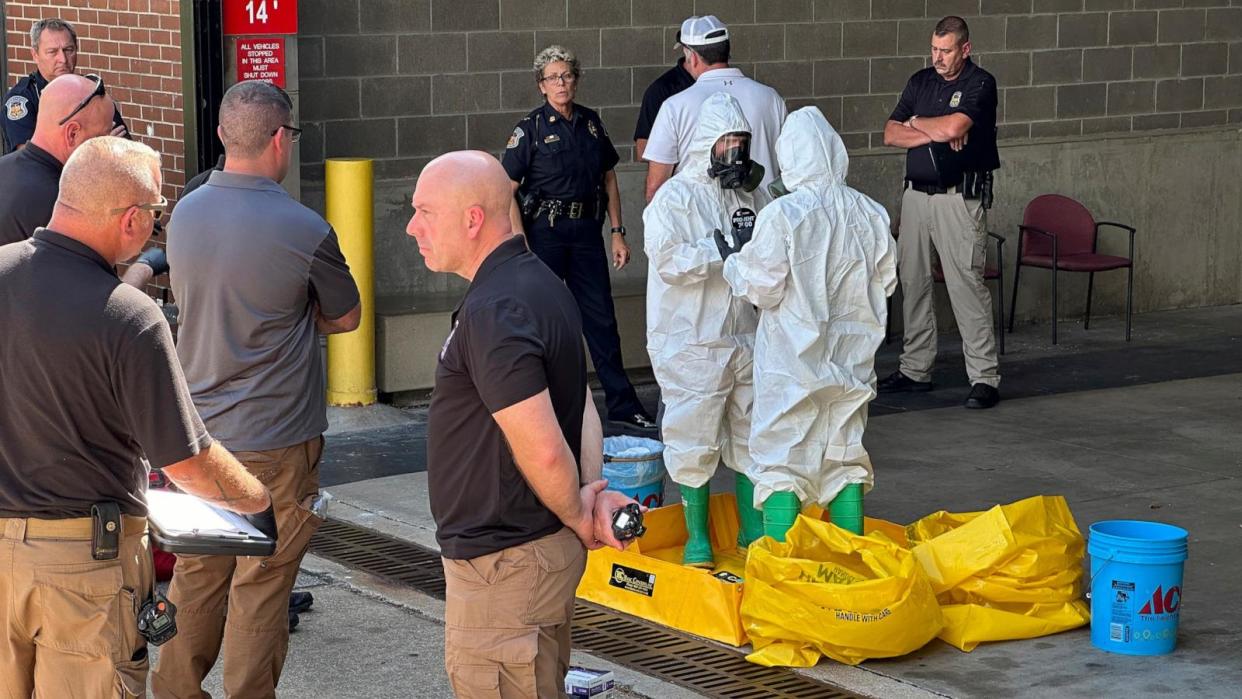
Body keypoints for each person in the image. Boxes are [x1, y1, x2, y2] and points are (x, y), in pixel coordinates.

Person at [0, 136, 277, 697]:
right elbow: (189, 462)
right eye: (155, 214)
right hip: (85, 568)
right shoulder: (130, 316)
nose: (155, 227)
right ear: (130, 220)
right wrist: (259, 502)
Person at [151, 80, 361, 698]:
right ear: (279, 139)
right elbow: (346, 317)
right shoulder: (305, 228)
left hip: (198, 438)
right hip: (276, 442)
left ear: (220, 135)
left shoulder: (185, 213)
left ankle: (175, 691)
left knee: (195, 578)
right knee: (262, 587)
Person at [408, 150, 638, 698]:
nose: (413, 227)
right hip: (531, 555)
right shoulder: (537, 281)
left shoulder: (497, 308)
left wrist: (581, 511)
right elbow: (579, 400)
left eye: (425, 212)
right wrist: (585, 496)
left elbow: (542, 448)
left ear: (472, 218)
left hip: (506, 569)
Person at [721, 107, 897, 541]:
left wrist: (734, 263)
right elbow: (888, 281)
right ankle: (849, 565)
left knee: (782, 461)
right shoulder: (870, 212)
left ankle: (787, 578)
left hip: (791, 362)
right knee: (844, 456)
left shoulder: (783, 215)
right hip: (851, 360)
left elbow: (763, 289)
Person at [643, 92, 770, 568]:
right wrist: (718, 252)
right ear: (706, 143)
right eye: (727, 140)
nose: (735, 150)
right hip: (691, 338)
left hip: (746, 335)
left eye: (742, 140)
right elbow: (670, 261)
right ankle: (698, 536)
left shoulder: (749, 195)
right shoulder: (674, 198)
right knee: (693, 437)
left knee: (751, 435)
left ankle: (751, 533)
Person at [502, 45, 656, 431]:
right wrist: (519, 242)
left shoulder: (590, 123)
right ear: (541, 86)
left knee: (601, 320)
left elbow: (608, 177)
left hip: (587, 232)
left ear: (576, 79)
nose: (561, 83)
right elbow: (505, 189)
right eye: (553, 77)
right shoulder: (530, 129)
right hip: (545, 235)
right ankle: (550, 408)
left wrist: (618, 233)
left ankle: (623, 404)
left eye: (567, 75)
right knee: (549, 322)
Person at [880, 15, 1001, 410]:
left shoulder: (979, 83)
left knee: (966, 286)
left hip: (958, 199)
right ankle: (916, 369)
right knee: (912, 282)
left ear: (964, 49)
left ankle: (984, 377)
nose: (938, 57)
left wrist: (922, 125)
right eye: (934, 49)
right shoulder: (920, 81)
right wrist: (928, 126)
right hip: (916, 196)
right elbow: (890, 133)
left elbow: (955, 128)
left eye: (945, 51)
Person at [643, 15, 786, 202]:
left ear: (692, 57)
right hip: (765, 222)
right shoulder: (771, 98)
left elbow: (656, 187)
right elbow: (789, 168)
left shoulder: (675, 106)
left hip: (701, 225)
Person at [3, 18, 128, 152]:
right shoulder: (22, 99)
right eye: (52, 52)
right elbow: (29, 159)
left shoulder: (91, 90)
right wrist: (94, 149)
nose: (62, 59)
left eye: (68, 50)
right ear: (35, 55)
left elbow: (124, 145)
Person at [633, 53, 694, 160]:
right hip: (680, 173)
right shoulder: (662, 89)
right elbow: (643, 149)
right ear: (691, 53)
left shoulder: (725, 84)